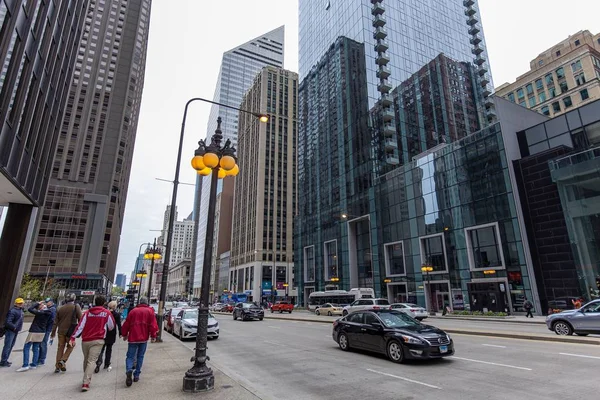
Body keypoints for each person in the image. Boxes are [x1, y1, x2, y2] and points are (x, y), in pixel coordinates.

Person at [70, 296, 114, 392]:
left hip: (86, 340)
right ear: (104, 303)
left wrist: (73, 337)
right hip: (98, 340)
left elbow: (80, 326)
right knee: (91, 361)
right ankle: (86, 381)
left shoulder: (87, 313)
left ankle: (86, 378)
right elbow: (111, 326)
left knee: (87, 360)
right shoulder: (107, 313)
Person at [121, 297, 158, 387]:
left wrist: (124, 334)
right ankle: (136, 375)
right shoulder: (150, 312)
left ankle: (129, 369)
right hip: (143, 338)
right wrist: (153, 336)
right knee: (140, 356)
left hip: (133, 338)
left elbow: (126, 324)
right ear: (147, 303)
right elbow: (153, 326)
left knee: (130, 356)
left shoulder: (133, 311)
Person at [51, 293, 83, 373]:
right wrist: (80, 331)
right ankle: (63, 360)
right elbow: (80, 319)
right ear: (74, 299)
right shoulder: (76, 306)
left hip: (61, 331)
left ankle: (57, 367)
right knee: (71, 346)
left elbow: (55, 322)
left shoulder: (59, 308)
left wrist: (53, 333)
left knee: (60, 348)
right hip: (71, 331)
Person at [17, 301, 52, 372]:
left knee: (26, 347)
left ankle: (25, 365)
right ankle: (34, 364)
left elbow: (30, 309)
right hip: (42, 331)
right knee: (36, 348)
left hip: (34, 331)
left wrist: (37, 303)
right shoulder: (48, 312)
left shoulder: (40, 313)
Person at [95, 301, 122, 372]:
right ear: (115, 307)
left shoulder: (105, 313)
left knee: (101, 349)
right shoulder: (116, 315)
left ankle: (98, 362)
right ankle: (107, 363)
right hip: (112, 332)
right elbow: (119, 324)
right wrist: (120, 333)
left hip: (103, 332)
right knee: (109, 349)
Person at [0, 298, 25, 367]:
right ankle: (3, 361)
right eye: (19, 303)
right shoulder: (13, 311)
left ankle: (5, 360)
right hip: (11, 331)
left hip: (15, 330)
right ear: (16, 304)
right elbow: (8, 321)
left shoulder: (20, 310)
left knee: (10, 345)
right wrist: (14, 327)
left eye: (22, 303)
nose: (21, 304)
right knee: (8, 346)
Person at [38, 298, 57, 366]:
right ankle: (40, 358)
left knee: (43, 343)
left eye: (48, 302)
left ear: (51, 302)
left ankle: (42, 359)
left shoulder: (52, 309)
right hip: (44, 328)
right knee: (41, 343)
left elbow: (52, 320)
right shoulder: (48, 308)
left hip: (46, 328)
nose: (46, 303)